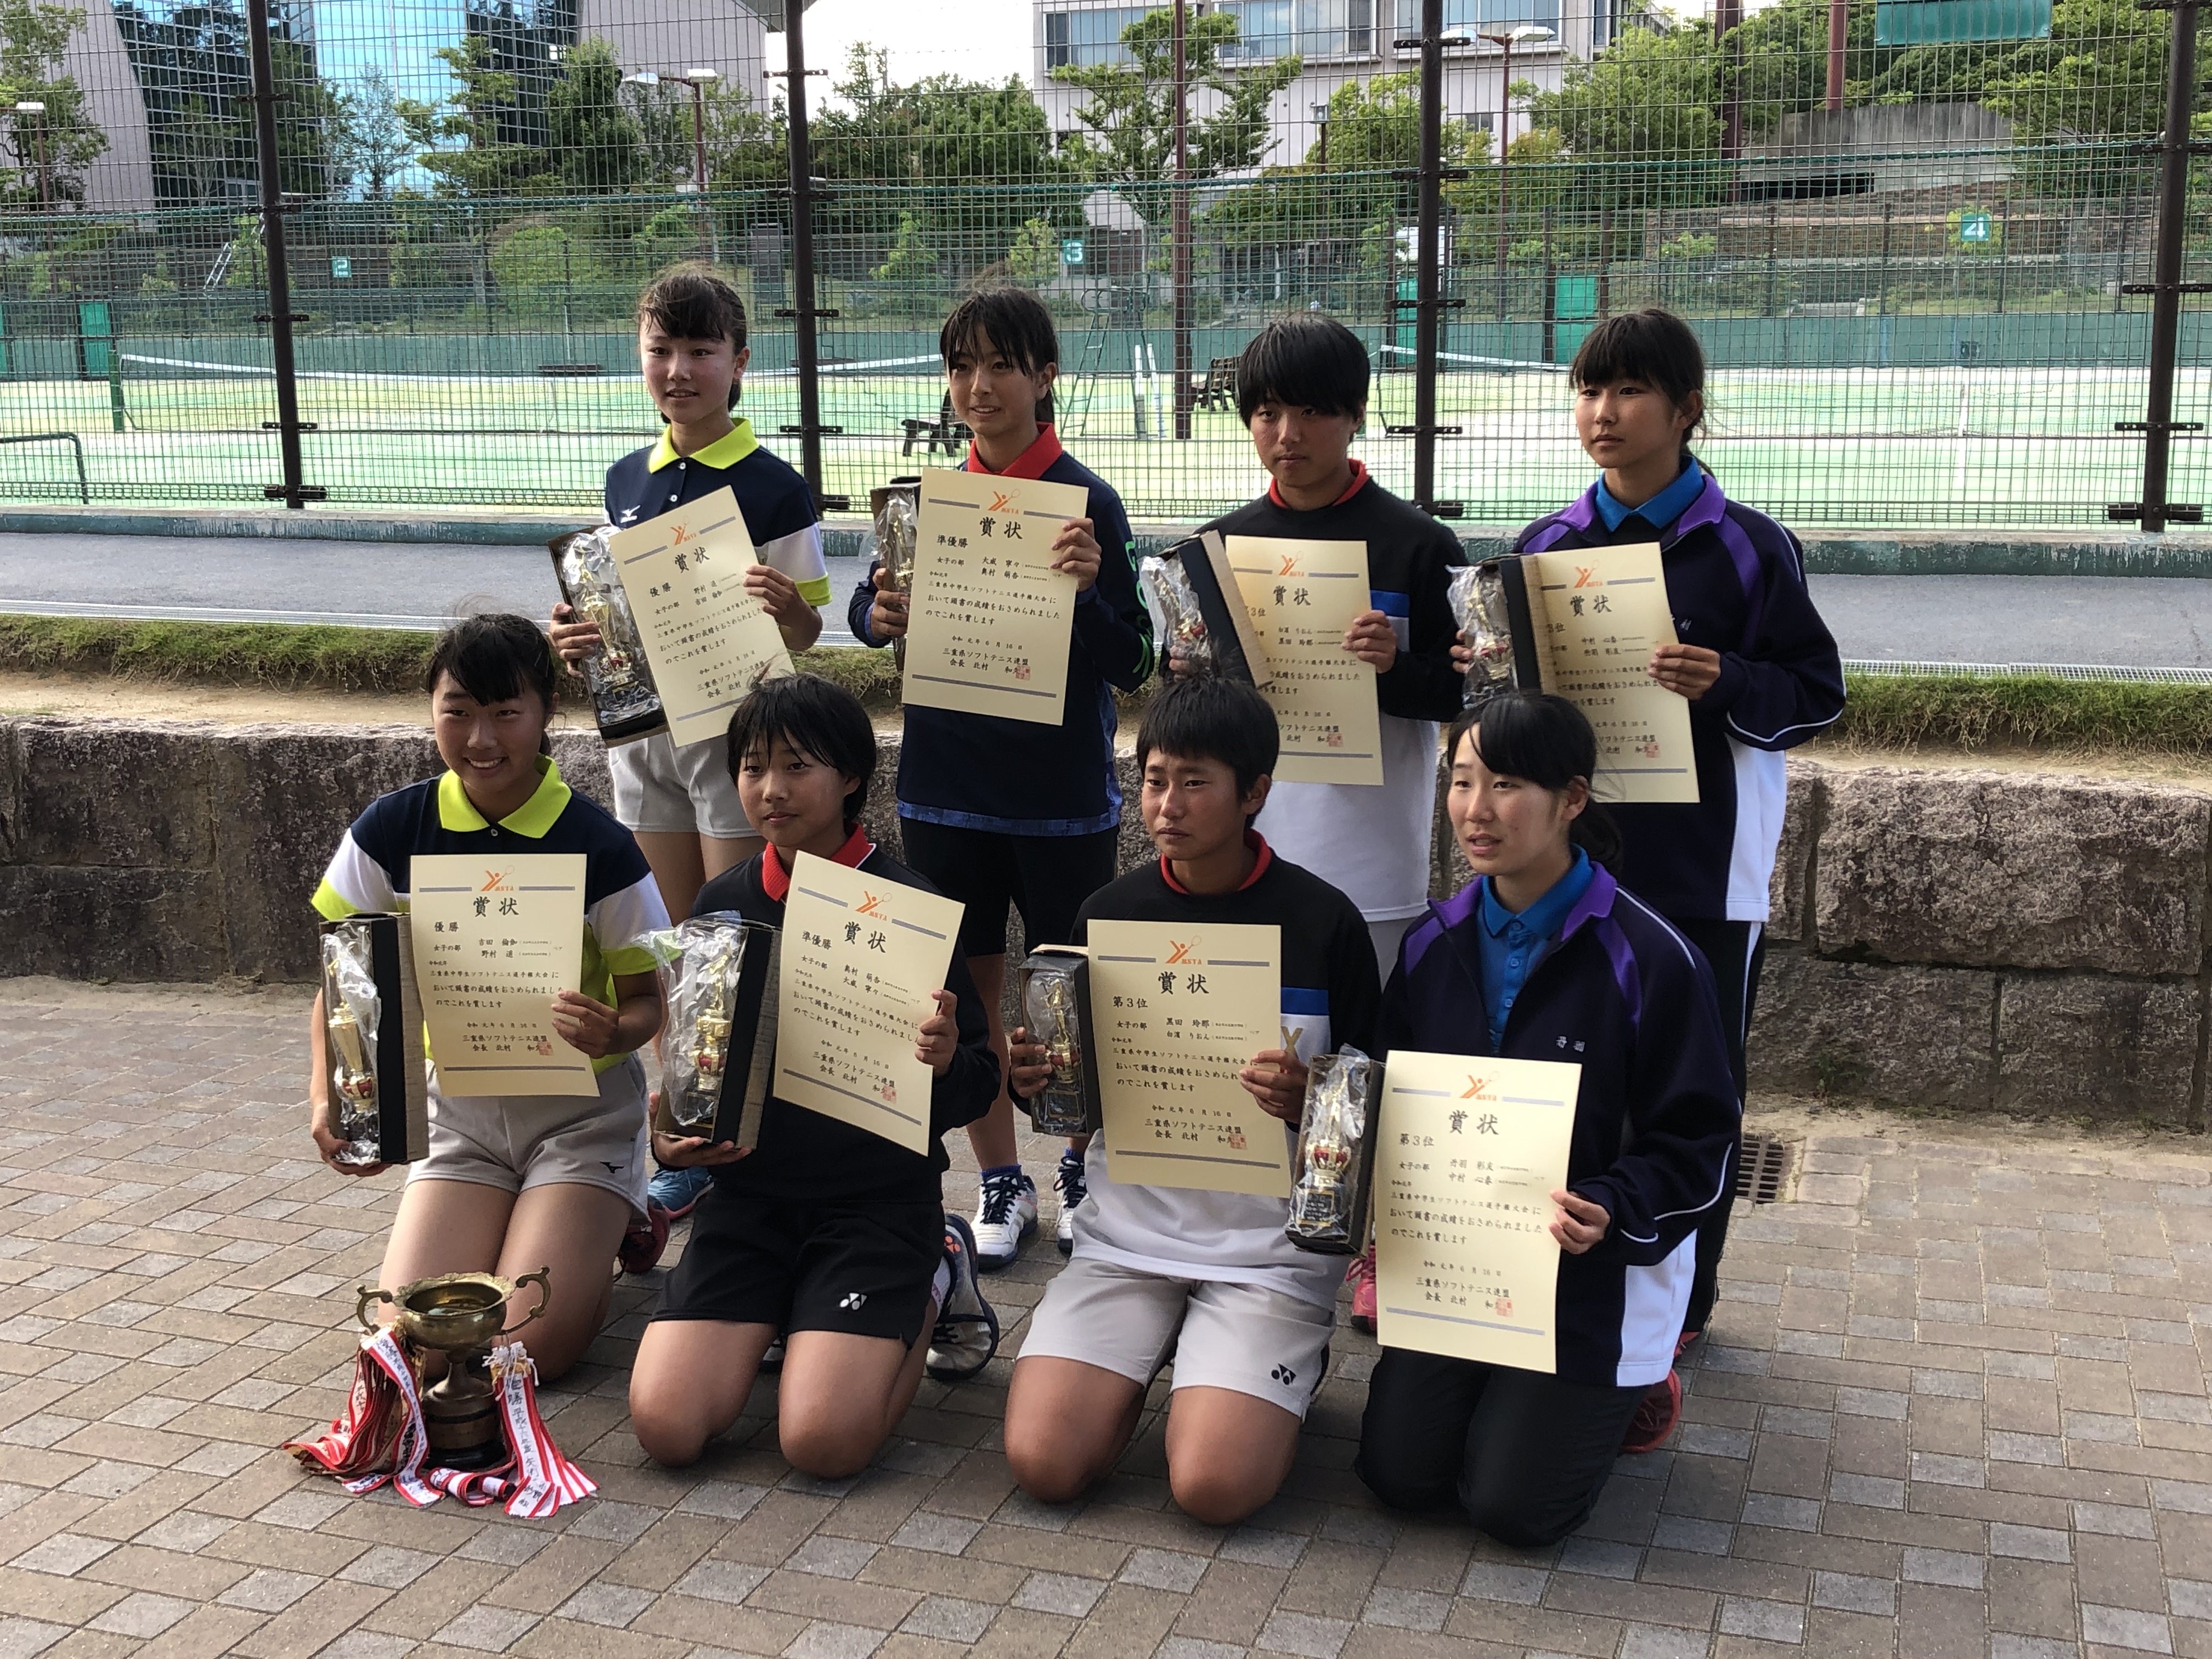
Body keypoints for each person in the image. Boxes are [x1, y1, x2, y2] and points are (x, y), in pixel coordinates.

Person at [1494, 306, 1843, 1396]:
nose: (1603, 413)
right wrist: (1485, 672)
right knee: (1559, 1071)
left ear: (1687, 410)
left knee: (1695, 1093)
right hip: (1569, 868)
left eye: (1630, 391)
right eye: (1589, 390)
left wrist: (1727, 680)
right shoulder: (1545, 548)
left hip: (1700, 874)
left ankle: (1682, 1310)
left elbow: (1817, 695)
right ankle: (1540, 1271)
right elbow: (1516, 716)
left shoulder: (1748, 547)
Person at [1355, 691, 1740, 1543]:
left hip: (1591, 1276)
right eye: (1462, 782)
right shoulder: (1431, 944)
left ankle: (1640, 1383)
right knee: (1400, 1476)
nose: (1476, 810)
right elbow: (1391, 1092)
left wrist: (1617, 1207)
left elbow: (1704, 1141)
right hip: (1466, 1268)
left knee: (1514, 1510)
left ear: (1573, 799)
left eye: (1506, 785)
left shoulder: (1652, 958)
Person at [1000, 678, 1380, 1526]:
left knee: (1214, 1489)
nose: (1167, 805)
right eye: (1154, 779)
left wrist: (1311, 1102)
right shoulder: (1108, 915)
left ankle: (1264, 1366)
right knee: (1044, 1463)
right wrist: (1037, 1085)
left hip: (1268, 1252)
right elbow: (1073, 1104)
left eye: (1195, 782)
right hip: (1127, 1238)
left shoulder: (1324, 923)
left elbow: (1372, 1102)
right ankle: (1159, 1354)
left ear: (1255, 792)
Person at [849, 284, 1155, 1270]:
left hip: (1060, 799)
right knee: (966, 991)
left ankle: (1076, 1161)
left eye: (1001, 365)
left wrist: (1087, 592)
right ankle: (999, 1177)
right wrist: (874, 618)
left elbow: (1137, 659)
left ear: (1045, 375)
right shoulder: (925, 502)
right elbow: (867, 609)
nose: (979, 386)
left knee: (1067, 987)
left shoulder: (1086, 501)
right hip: (945, 789)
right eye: (961, 367)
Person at [627, 675, 1003, 1475]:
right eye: (753, 767)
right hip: (750, 1203)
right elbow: (696, 1072)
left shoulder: (909, 909)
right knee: (667, 1428)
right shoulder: (722, 905)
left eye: (797, 766)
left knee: (823, 1444)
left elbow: (980, 1079)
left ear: (852, 776)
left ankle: (937, 1269)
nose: (772, 789)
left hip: (875, 1205)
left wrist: (944, 1062)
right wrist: (671, 1138)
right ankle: (791, 1313)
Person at [307, 612, 668, 1381]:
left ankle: (608, 1220)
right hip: (461, 1116)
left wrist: (612, 1031)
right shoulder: (390, 831)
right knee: (419, 1343)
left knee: (523, 1351)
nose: (481, 739)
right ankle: (564, 1226)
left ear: (546, 713)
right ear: (433, 709)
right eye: (459, 711)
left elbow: (649, 1001)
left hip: (582, 1116)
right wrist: (328, 1098)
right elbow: (341, 980)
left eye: (506, 713)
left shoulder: (600, 844)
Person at [549, 263, 831, 1228]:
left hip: (736, 749)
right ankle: (689, 1134)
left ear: (739, 362)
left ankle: (759, 1136)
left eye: (700, 351)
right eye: (660, 350)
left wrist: (789, 609)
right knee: (672, 948)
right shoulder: (626, 479)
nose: (678, 370)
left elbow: (806, 635)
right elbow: (615, 618)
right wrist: (578, 636)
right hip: (643, 745)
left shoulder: (774, 486)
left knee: (734, 940)